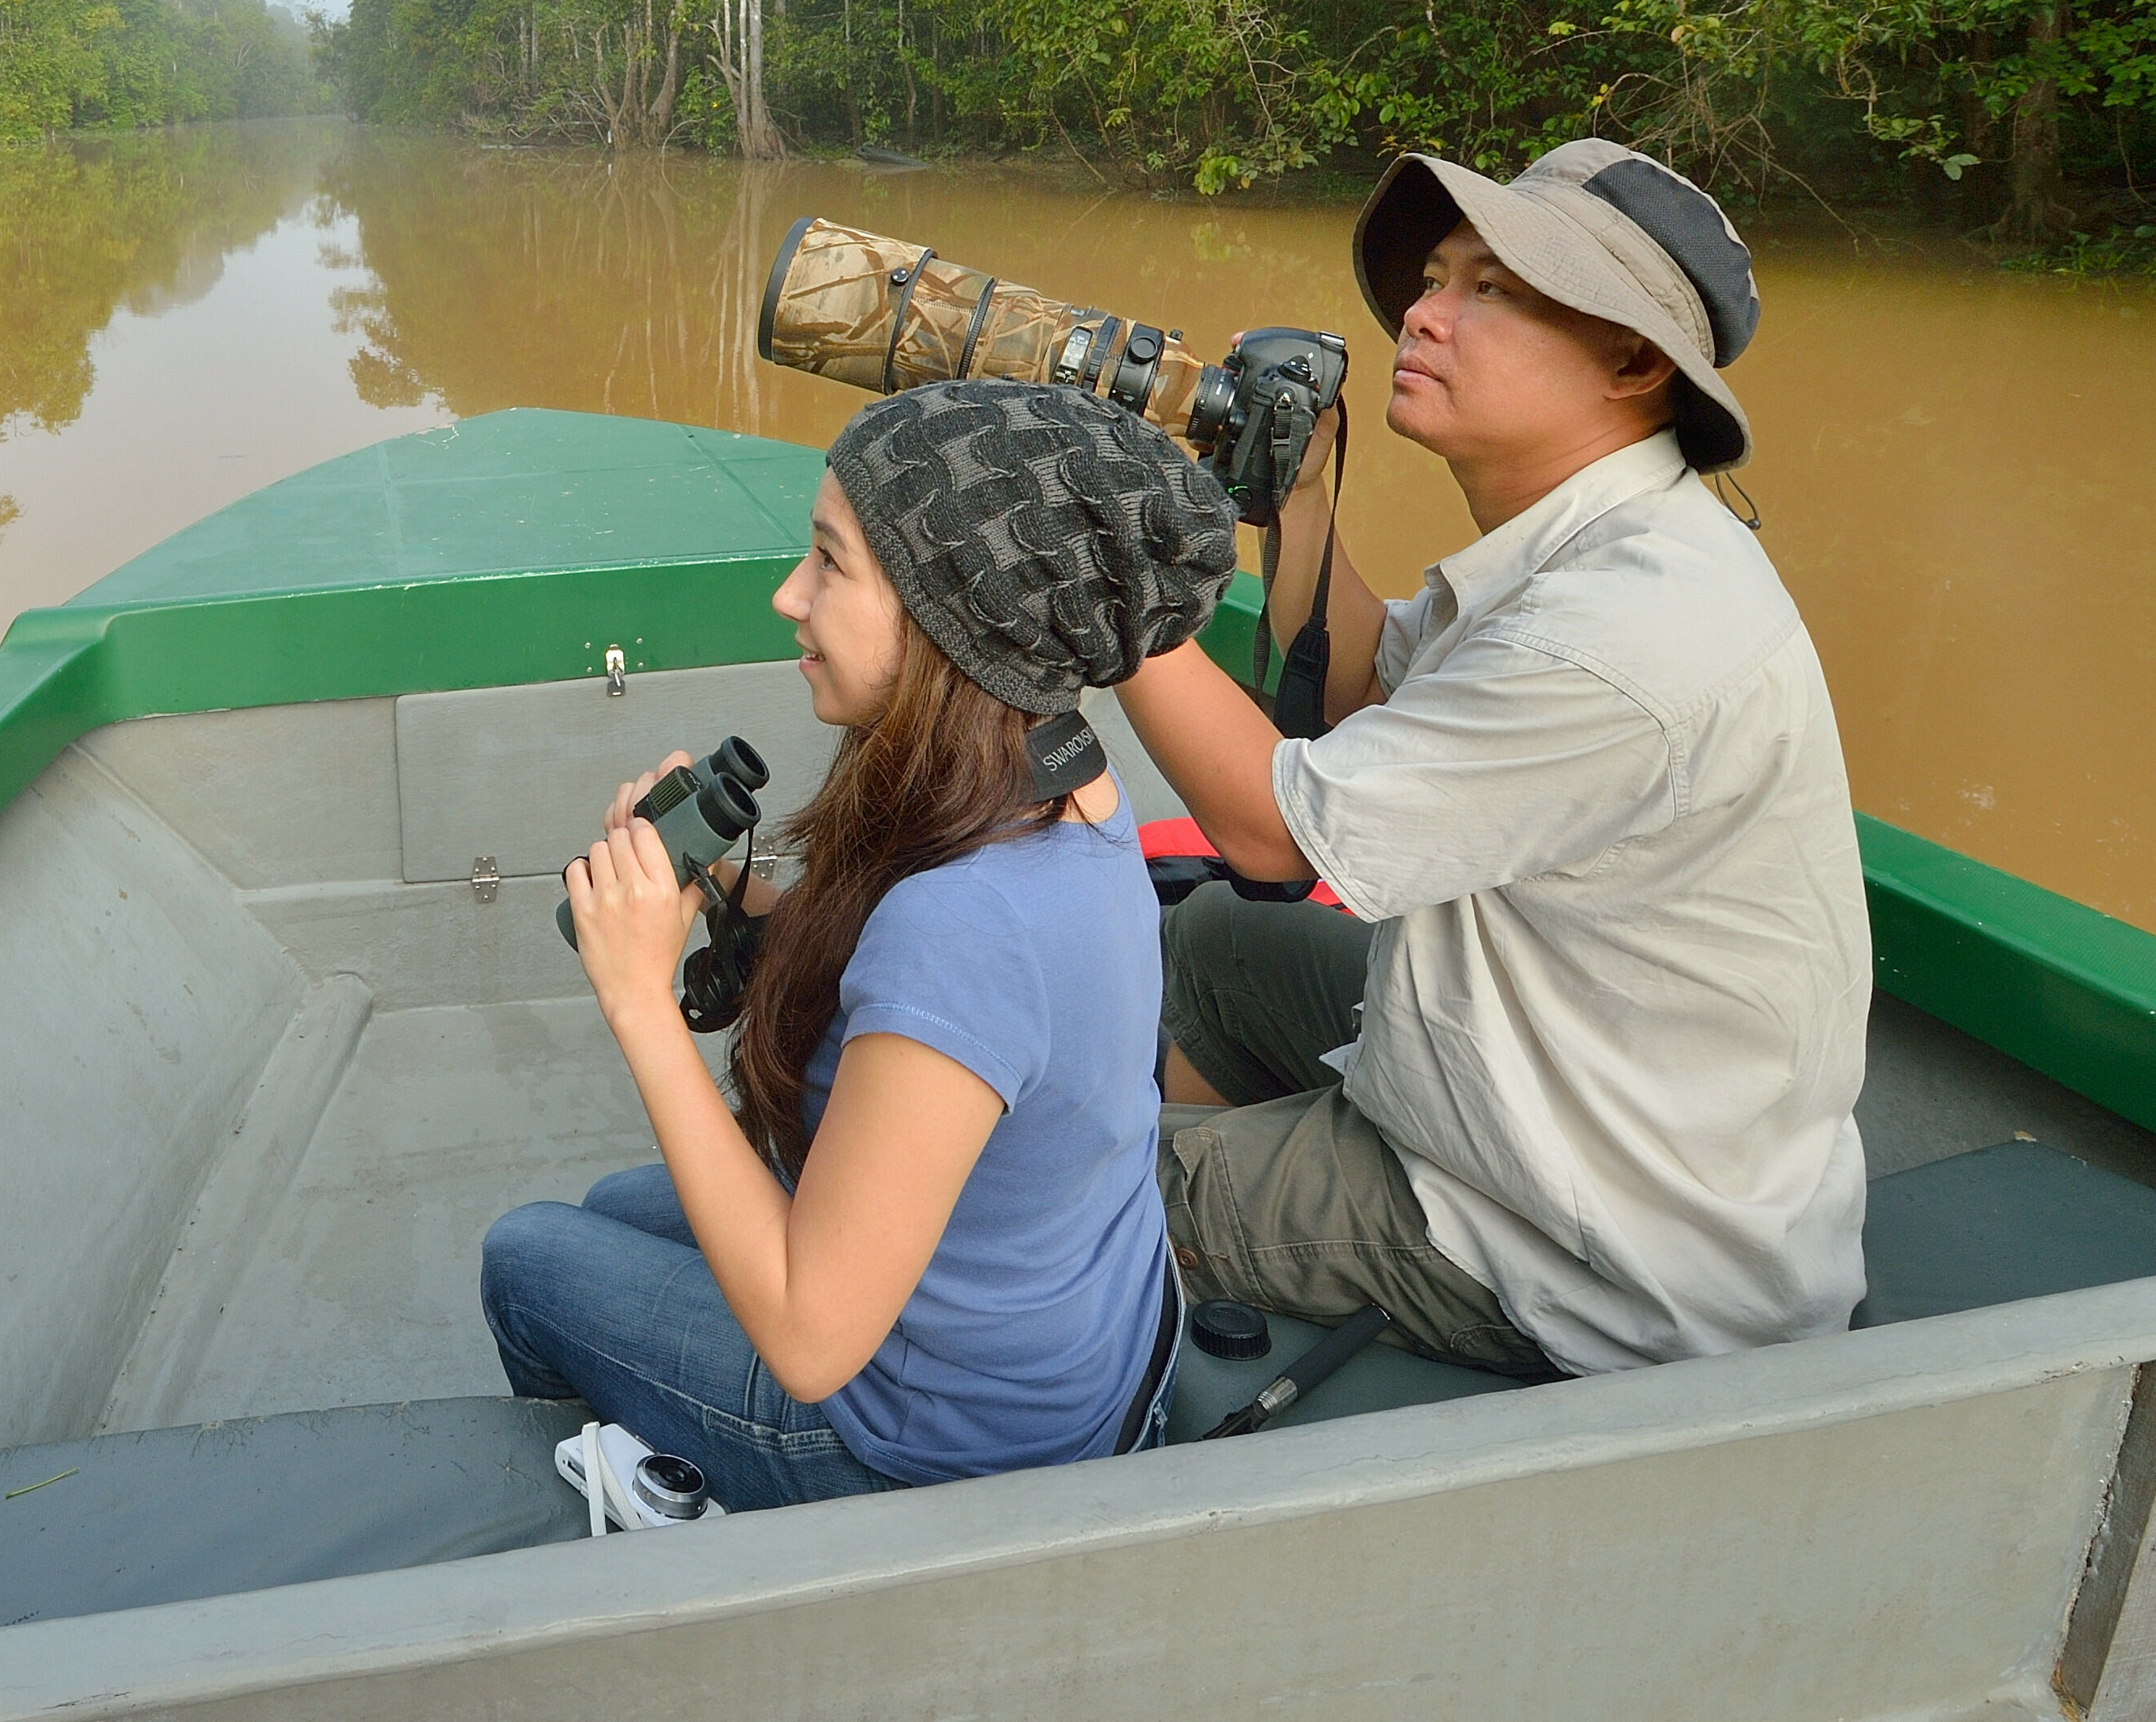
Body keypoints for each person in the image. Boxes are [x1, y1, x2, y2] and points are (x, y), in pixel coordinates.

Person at [1114, 139, 1868, 1379]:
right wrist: (1299, 491)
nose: (1420, 311)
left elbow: (1271, 833)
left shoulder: (1618, 634)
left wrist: (1075, 568)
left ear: (1633, 361)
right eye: (1431, 276)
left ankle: (1166, 1229)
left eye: (1490, 289)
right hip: (1576, 1102)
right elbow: (1353, 697)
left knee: (1031, 1189)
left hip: (1588, 1244)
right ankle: (1219, 1218)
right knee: (1215, 944)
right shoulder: (1594, 544)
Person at [481, 381, 1241, 1508]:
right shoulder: (1063, 773)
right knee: (614, 1206)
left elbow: (809, 1337)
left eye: (830, 563)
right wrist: (736, 890)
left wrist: (640, 997)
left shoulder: (968, 921)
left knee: (528, 1252)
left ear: (955, 613)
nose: (790, 594)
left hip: (940, 1437)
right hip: (1075, 1351)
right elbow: (954, 999)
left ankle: (662, 1507)